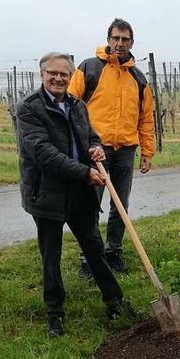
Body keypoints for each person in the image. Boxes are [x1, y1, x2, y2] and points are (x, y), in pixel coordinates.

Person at [16, 52, 125, 337]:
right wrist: (83, 172)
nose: (58, 78)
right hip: (47, 194)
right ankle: (55, 314)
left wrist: (96, 147)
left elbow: (90, 135)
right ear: (42, 75)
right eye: (52, 73)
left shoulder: (77, 105)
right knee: (50, 256)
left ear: (70, 76)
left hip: (79, 193)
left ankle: (114, 301)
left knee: (94, 249)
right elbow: (43, 153)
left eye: (64, 74)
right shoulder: (29, 109)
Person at [68, 18, 155, 276]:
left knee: (121, 204)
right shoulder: (89, 68)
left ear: (131, 43)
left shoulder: (138, 79)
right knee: (91, 204)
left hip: (125, 150)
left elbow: (145, 119)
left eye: (125, 39)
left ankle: (114, 251)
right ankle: (89, 257)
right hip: (96, 149)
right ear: (108, 39)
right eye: (115, 38)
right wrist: (78, 144)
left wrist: (147, 152)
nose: (120, 43)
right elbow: (72, 107)